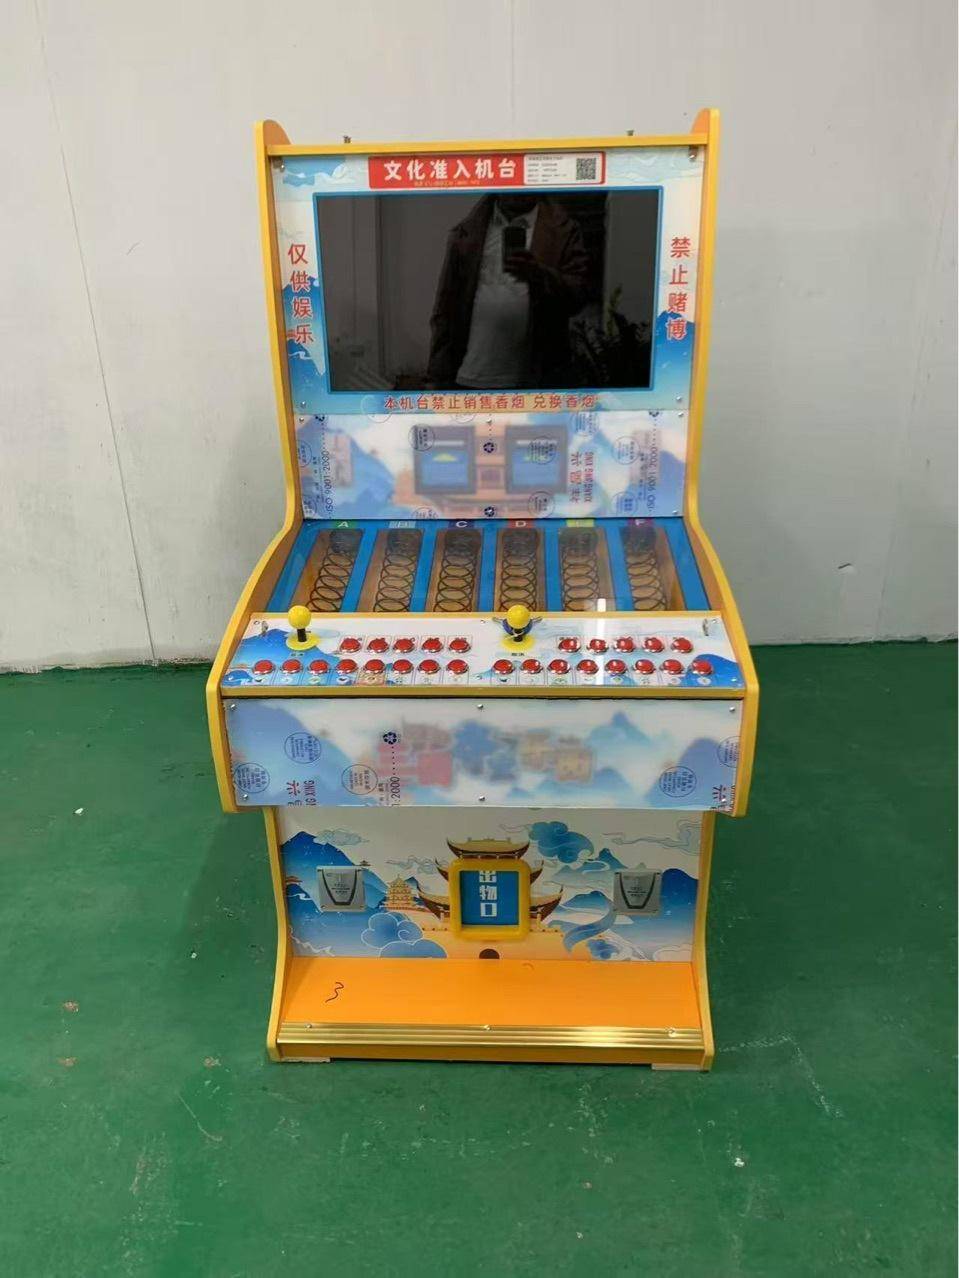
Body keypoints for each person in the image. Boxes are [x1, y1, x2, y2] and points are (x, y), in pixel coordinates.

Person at [426, 194, 590, 390]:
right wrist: (436, 376)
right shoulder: (468, 231)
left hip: (536, 382)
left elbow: (578, 295)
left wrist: (539, 275)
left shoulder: (563, 230)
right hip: (469, 376)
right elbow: (445, 309)